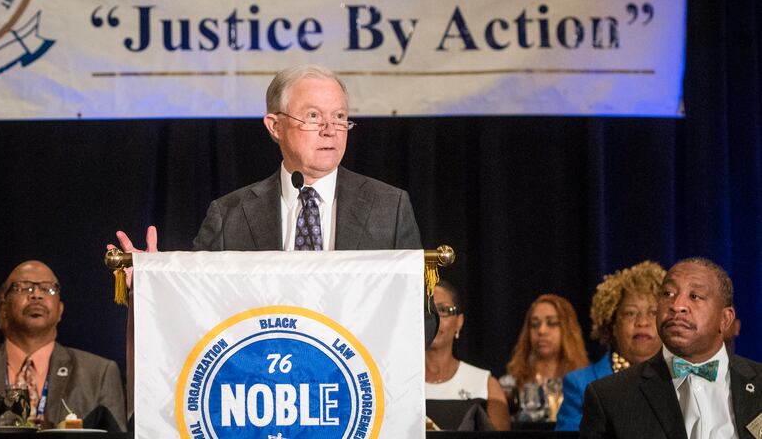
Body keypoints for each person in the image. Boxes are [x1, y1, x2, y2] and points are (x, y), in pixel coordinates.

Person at [109, 64, 438, 415]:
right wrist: (156, 286)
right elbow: (198, 312)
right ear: (275, 126)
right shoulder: (230, 213)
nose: (331, 130)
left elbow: (423, 318)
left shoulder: (389, 206)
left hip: (354, 400)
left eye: (340, 117)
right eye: (313, 116)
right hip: (255, 405)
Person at [580, 257, 762, 438]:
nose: (677, 306)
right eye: (668, 294)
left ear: (725, 319)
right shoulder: (610, 397)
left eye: (694, 296)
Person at [0, 261, 126, 431]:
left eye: (48, 289)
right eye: (23, 287)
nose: (37, 295)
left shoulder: (99, 373)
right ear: (3, 309)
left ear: (60, 310)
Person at [555, 261, 665, 431]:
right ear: (612, 326)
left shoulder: (681, 377)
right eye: (630, 313)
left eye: (653, 313)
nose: (642, 322)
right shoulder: (579, 384)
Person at [425, 280, 510, 430]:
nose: (435, 319)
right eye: (427, 311)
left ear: (459, 321)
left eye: (443, 310)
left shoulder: (486, 384)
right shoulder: (399, 385)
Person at [500, 294, 589, 422]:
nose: (541, 331)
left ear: (568, 330)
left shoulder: (586, 383)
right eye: (534, 324)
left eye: (552, 323)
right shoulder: (510, 385)